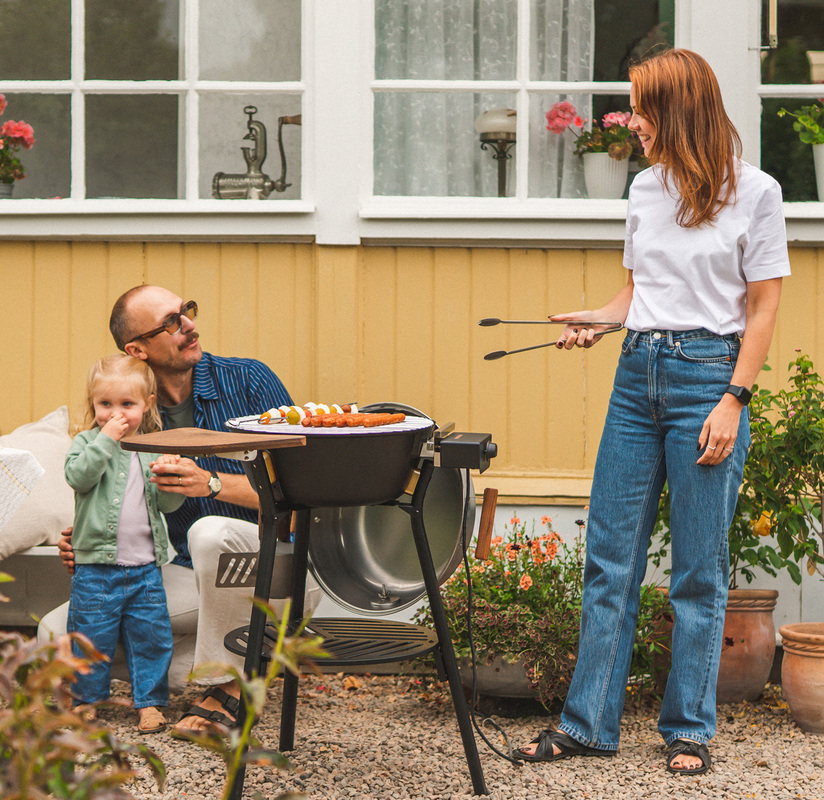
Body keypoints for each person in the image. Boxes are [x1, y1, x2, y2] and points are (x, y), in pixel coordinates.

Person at [514, 49, 789, 775]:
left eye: (640, 108)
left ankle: (689, 728)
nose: (630, 121)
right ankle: (587, 724)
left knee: (700, 571)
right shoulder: (643, 188)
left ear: (677, 110)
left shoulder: (757, 193)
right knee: (609, 563)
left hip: (709, 380)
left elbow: (762, 310)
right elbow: (636, 294)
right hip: (637, 378)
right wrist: (599, 320)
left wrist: (735, 398)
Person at [40, 284, 320, 736]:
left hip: (271, 566)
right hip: (179, 573)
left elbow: (305, 491)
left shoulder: (249, 379)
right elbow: (118, 496)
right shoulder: (127, 414)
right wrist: (94, 536)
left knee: (208, 530)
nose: (188, 324)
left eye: (185, 311)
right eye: (170, 322)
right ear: (138, 349)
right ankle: (246, 656)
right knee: (56, 634)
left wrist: (210, 484)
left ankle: (232, 683)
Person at [65, 354, 183, 734]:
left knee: (151, 637)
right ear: (93, 405)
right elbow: (79, 477)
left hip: (145, 568)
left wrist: (171, 477)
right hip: (96, 569)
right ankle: (87, 701)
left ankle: (149, 702)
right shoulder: (86, 443)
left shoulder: (151, 447)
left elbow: (165, 505)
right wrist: (105, 439)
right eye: (105, 404)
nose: (116, 414)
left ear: (147, 405)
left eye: (127, 405)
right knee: (89, 638)